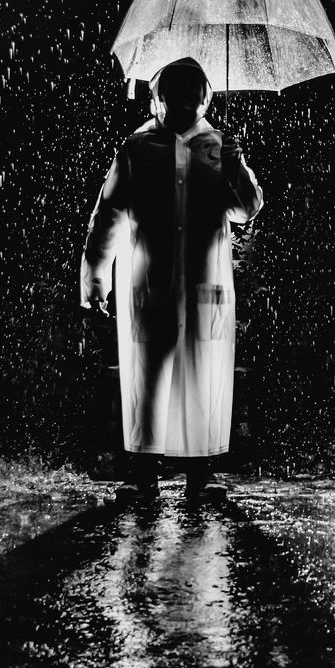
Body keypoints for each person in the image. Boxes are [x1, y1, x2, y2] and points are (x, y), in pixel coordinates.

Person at [80, 57, 264, 501]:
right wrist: (96, 279)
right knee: (148, 375)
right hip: (149, 282)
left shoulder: (220, 148)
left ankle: (201, 474)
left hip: (204, 284)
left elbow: (247, 209)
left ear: (204, 98)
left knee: (203, 376)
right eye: (173, 92)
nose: (182, 101)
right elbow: (108, 216)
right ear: (158, 97)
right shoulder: (137, 149)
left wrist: (236, 166)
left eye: (191, 92)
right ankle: (143, 474)